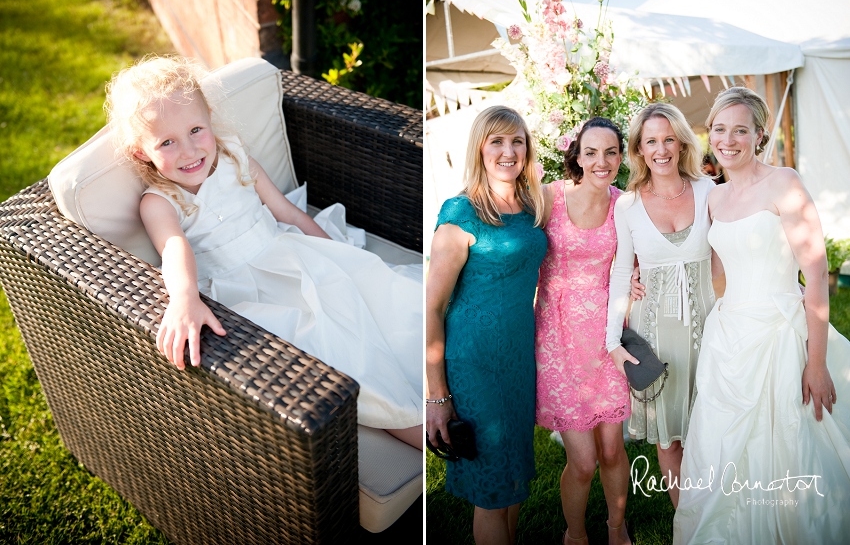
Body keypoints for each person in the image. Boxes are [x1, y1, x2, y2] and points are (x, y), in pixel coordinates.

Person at [106, 55, 423, 449]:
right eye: (167, 142)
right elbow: (174, 248)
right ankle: (418, 427)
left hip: (290, 253)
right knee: (335, 347)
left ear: (209, 120)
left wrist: (335, 250)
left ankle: (447, 368)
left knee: (379, 293)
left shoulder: (236, 158)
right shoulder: (159, 202)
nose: (188, 151)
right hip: (246, 292)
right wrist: (184, 298)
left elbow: (286, 211)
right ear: (141, 152)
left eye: (195, 130)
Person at [673, 87, 850, 544]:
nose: (727, 139)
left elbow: (815, 272)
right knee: (723, 443)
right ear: (708, 133)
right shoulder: (714, 197)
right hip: (728, 335)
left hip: (779, 333)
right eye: (719, 129)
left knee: (789, 442)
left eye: (739, 130)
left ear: (759, 135)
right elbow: (716, 275)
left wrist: (815, 361)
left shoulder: (784, 183)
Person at [426, 105, 547, 544]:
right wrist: (437, 397)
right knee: (493, 486)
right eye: (497, 141)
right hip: (473, 362)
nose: (509, 151)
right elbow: (432, 308)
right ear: (480, 148)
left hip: (517, 358)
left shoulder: (532, 204)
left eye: (517, 141)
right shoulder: (461, 212)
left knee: (513, 475)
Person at [606, 103, 717, 508]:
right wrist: (611, 342)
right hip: (655, 335)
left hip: (712, 329)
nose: (661, 149)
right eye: (651, 140)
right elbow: (621, 273)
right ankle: (686, 521)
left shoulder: (708, 190)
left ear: (682, 142)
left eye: (669, 138)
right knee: (668, 437)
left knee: (714, 426)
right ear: (638, 148)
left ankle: (721, 515)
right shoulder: (628, 205)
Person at [535, 118, 632, 545]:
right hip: (557, 339)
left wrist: (636, 281)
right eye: (591, 152)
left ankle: (616, 527)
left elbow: (635, 259)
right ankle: (574, 535)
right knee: (584, 461)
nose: (601, 161)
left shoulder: (624, 205)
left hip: (608, 337)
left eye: (610, 152)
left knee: (612, 449)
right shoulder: (548, 198)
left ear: (621, 157)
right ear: (576, 155)